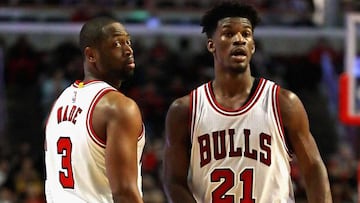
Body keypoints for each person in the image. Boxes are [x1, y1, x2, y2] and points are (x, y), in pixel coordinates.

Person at [162, 1, 332, 203]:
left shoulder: (283, 103)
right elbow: (173, 181)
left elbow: (313, 168)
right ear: (211, 45)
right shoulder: (185, 109)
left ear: (253, 46)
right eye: (229, 34)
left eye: (246, 34)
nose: (239, 40)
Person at [44, 16, 145, 203]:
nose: (129, 50)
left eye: (128, 42)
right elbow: (124, 193)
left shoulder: (60, 102)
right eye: (116, 44)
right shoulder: (119, 107)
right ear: (91, 55)